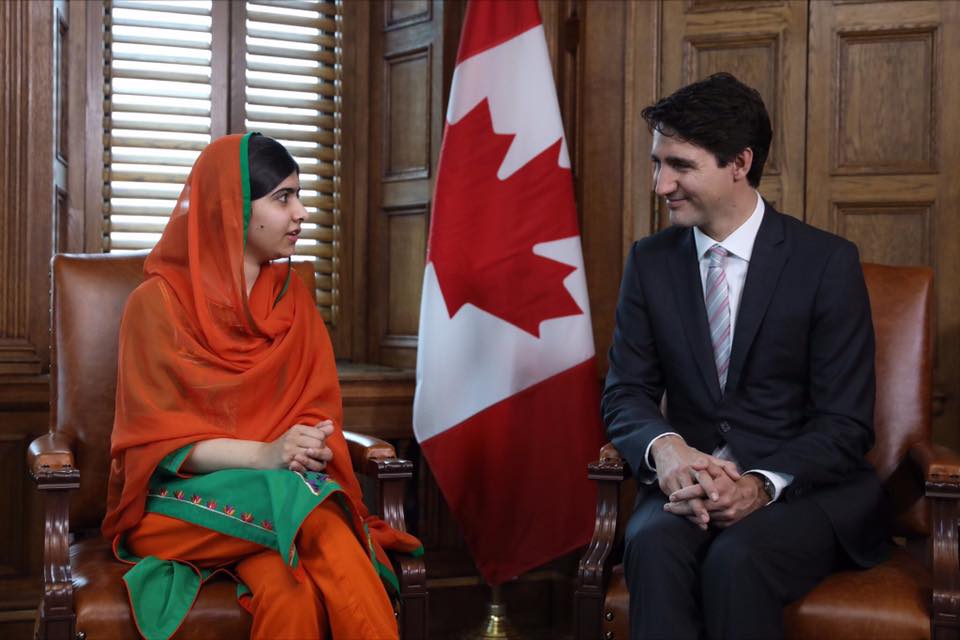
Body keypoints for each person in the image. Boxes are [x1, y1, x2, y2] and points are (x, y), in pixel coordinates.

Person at [602, 73, 889, 639]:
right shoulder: (650, 262)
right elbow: (625, 392)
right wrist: (669, 450)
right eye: (658, 164)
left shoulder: (826, 263)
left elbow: (846, 423)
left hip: (802, 490)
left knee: (738, 559)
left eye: (680, 166)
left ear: (739, 162)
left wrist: (758, 484)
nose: (662, 185)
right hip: (687, 484)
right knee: (652, 543)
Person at [102, 133, 421, 640]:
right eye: (282, 197)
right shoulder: (155, 304)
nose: (301, 213)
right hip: (177, 507)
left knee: (289, 594)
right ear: (233, 208)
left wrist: (306, 447)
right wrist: (266, 454)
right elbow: (154, 444)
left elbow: (317, 416)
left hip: (283, 497)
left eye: (299, 195)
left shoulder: (293, 301)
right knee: (316, 519)